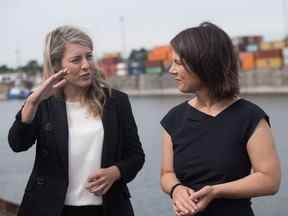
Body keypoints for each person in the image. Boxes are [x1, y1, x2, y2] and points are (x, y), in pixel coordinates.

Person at [8, 25, 145, 216]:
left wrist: (116, 172)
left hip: (108, 209)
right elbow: (17, 144)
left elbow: (136, 156)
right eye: (76, 60)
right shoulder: (42, 101)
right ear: (57, 66)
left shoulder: (116, 101)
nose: (86, 65)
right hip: (49, 208)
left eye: (89, 56)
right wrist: (31, 104)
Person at [160, 22, 281, 216]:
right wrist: (176, 190)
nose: (171, 70)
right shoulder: (173, 119)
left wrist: (216, 191)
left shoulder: (250, 116)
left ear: (203, 63)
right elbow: (167, 174)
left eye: (178, 62)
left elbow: (270, 180)